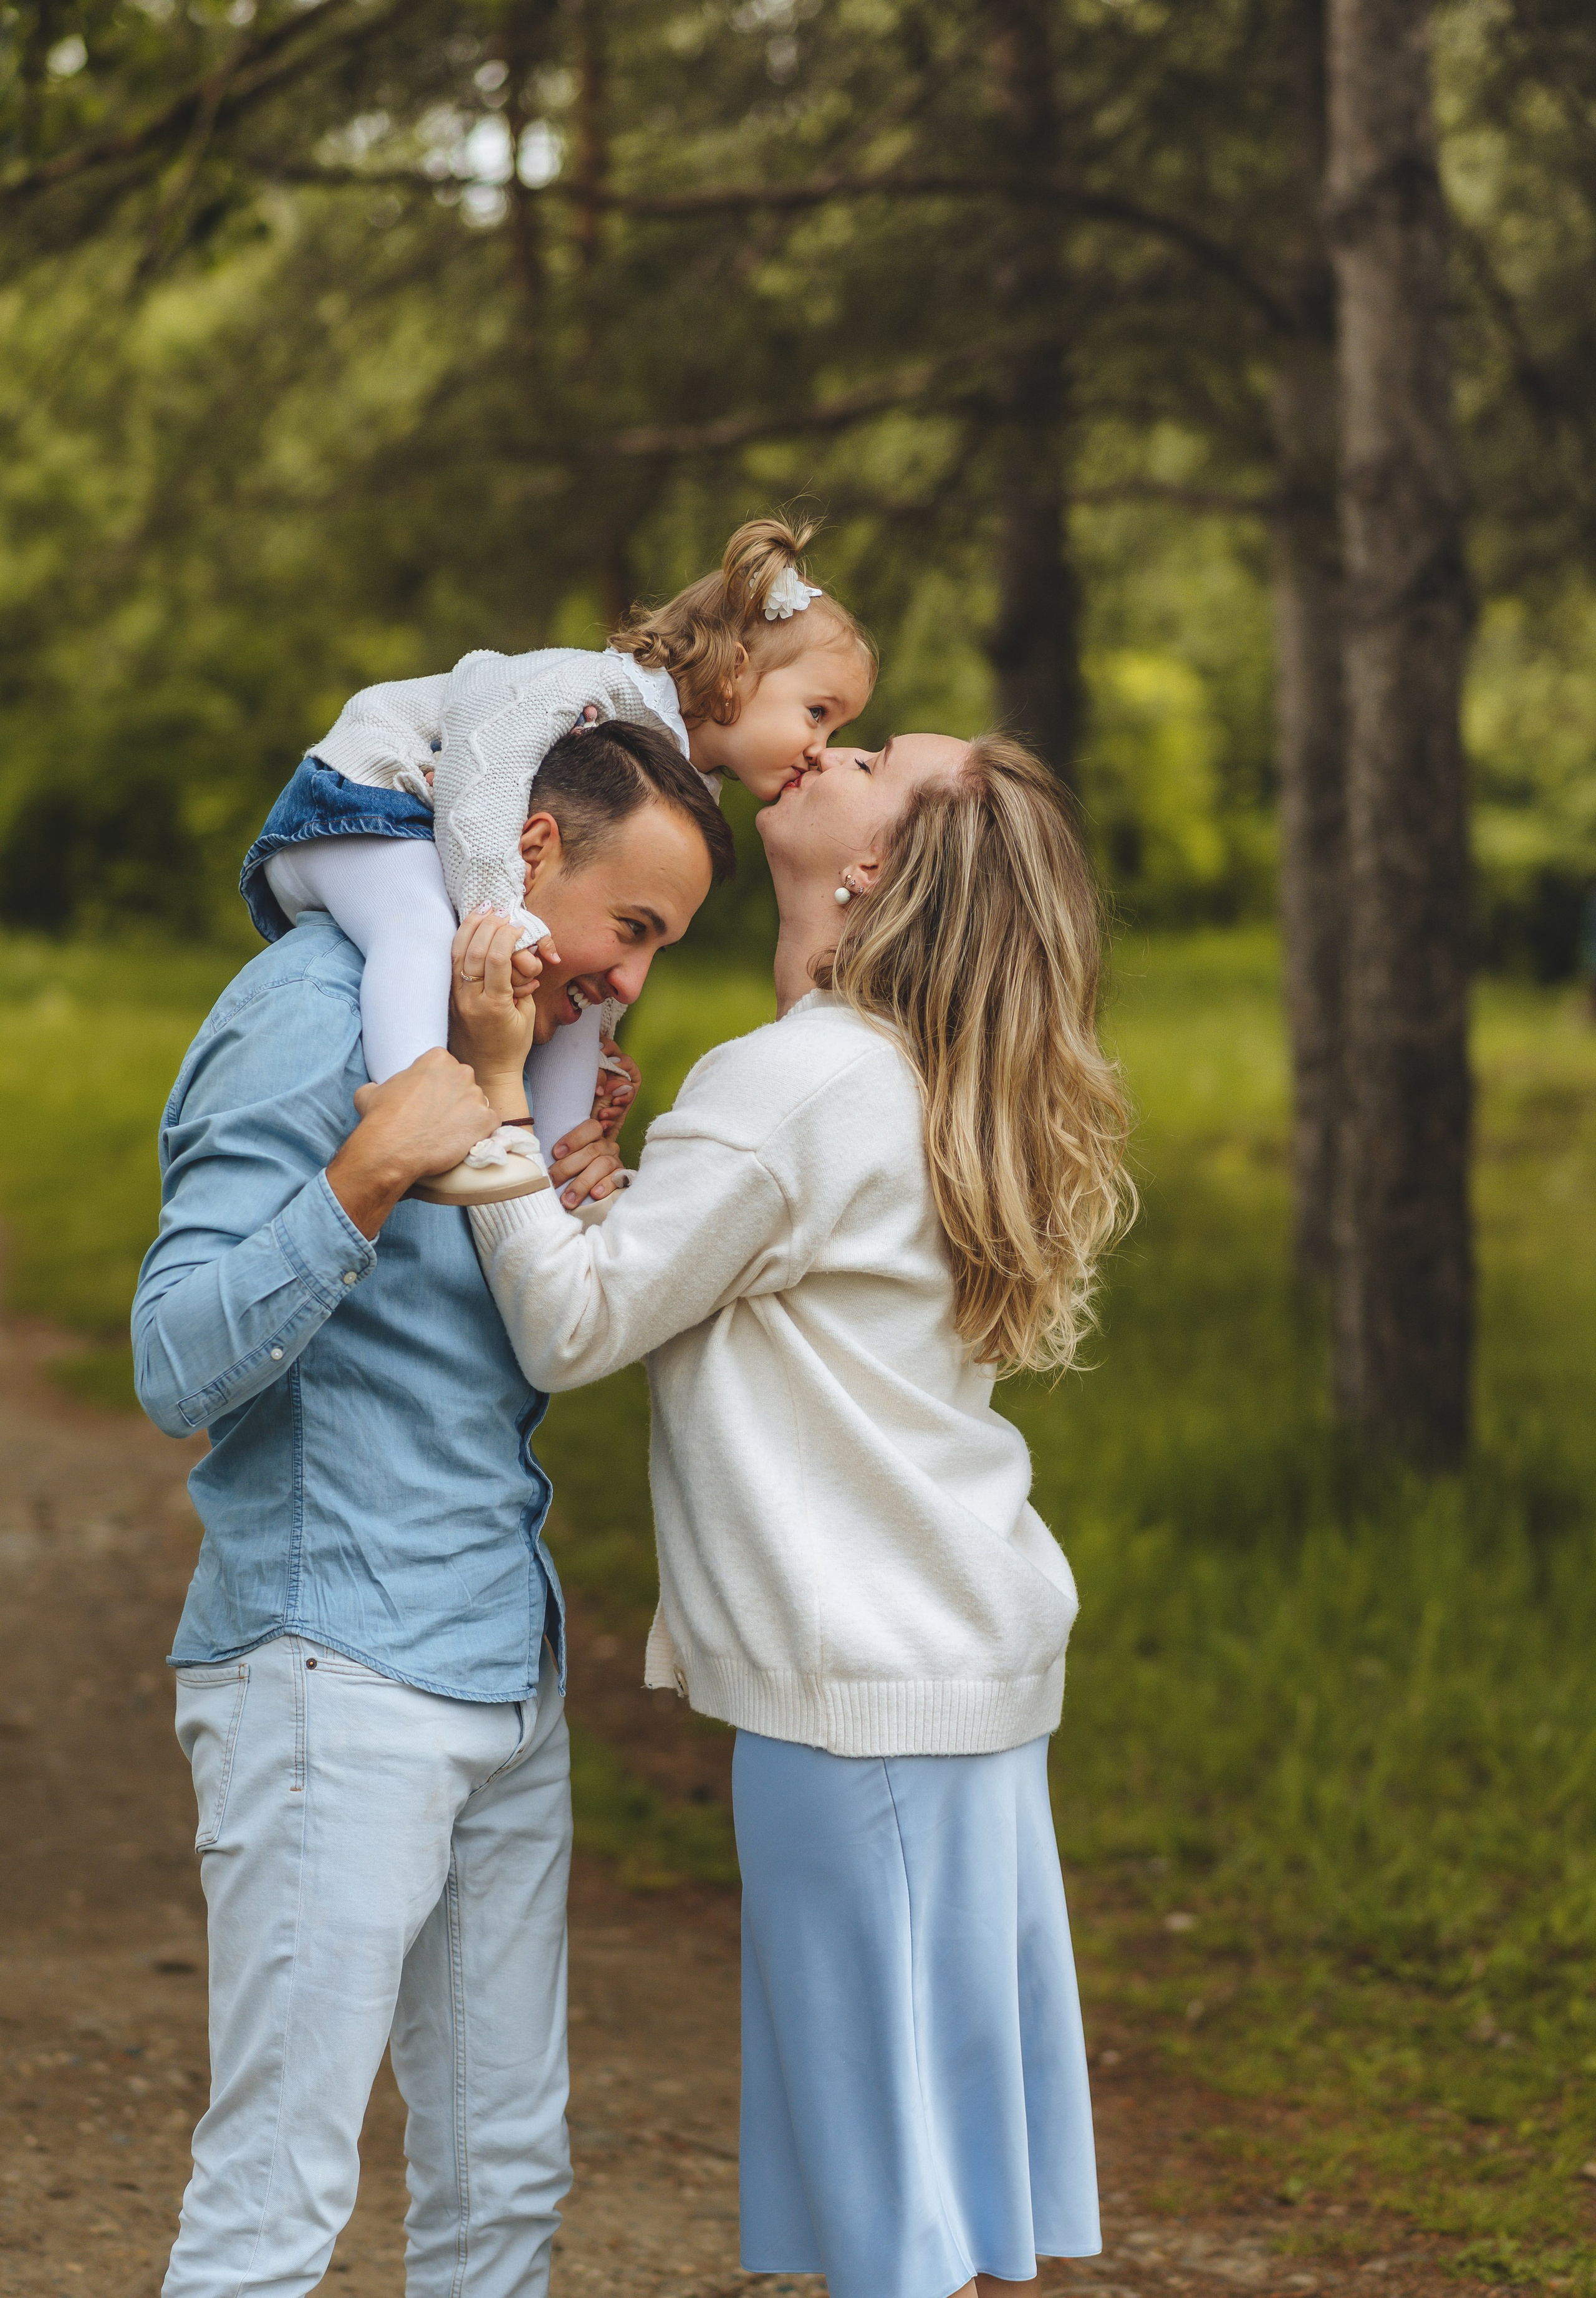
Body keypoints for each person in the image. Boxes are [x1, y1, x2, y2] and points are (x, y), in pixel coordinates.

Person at [449, 730, 1136, 2298]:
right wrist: (611, 1203)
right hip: (956, 1672)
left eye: (877, 757)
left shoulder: (794, 1077)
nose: (828, 744)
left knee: (884, 2200)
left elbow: (570, 1331)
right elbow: (738, 1297)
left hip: (864, 1704)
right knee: (925, 2174)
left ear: (872, 864)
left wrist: (495, 1092)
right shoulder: (888, 1065)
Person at [131, 721, 733, 2298]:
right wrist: (362, 1180)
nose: (630, 980)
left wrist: (566, 1184)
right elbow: (172, 1357)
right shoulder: (307, 1015)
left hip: (500, 1664)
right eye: (635, 929)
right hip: (332, 1670)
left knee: (503, 2173)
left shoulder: (520, 1052)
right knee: (278, 2193)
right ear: (532, 855)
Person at [236, 516, 876, 1194]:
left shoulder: (690, 790)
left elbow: (611, 944)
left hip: (430, 837)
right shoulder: (597, 687)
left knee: (579, 1004)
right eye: (817, 712)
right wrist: (500, 917)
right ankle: (413, 1114)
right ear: (738, 674)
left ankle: (560, 1179)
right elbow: (482, 767)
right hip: (362, 797)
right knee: (419, 925)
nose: (822, 745)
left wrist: (602, 1039)